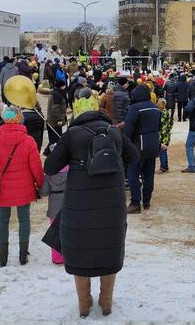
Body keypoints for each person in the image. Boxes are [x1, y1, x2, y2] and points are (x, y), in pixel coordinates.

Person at [44, 107, 139, 318]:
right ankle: (106, 302)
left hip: (78, 205)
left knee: (79, 251)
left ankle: (84, 304)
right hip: (112, 205)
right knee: (109, 247)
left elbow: (50, 167)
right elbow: (135, 157)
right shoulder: (114, 133)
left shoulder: (72, 135)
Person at [0, 106, 44, 266]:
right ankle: (23, 255)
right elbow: (36, 167)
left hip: (1, 188)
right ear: (20, 119)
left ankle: (3, 256)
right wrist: (40, 184)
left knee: (3, 220)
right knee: (24, 219)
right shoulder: (28, 141)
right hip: (24, 187)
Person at [123, 84, 161, 214]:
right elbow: (159, 126)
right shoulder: (156, 108)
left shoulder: (135, 108)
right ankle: (146, 201)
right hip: (153, 146)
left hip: (138, 147)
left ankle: (135, 202)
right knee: (149, 175)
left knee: (132, 174)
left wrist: (125, 144)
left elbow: (128, 128)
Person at [38, 163, 68, 265]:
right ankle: (70, 256)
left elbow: (44, 192)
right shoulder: (72, 170)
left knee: (55, 232)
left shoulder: (49, 173)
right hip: (69, 203)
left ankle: (57, 258)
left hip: (54, 206)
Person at [46, 79, 67, 152]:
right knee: (56, 139)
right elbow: (55, 108)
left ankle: (48, 152)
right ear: (61, 86)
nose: (65, 87)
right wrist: (59, 119)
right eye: (64, 85)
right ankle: (49, 153)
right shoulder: (57, 95)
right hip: (55, 121)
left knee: (54, 139)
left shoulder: (55, 93)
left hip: (52, 120)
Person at [157, 98, 173, 173]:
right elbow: (171, 123)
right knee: (164, 151)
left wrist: (161, 138)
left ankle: (163, 166)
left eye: (159, 103)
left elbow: (162, 126)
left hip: (163, 136)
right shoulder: (166, 112)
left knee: (162, 151)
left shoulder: (162, 113)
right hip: (167, 134)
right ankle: (165, 166)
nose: (157, 104)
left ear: (162, 105)